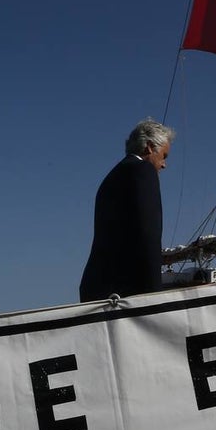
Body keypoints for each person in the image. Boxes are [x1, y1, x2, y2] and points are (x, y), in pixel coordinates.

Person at [80, 119, 174, 302]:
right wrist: (155, 294)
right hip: (128, 291)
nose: (164, 165)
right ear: (149, 147)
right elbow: (148, 233)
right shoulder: (143, 171)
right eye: (164, 155)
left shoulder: (112, 177)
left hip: (98, 287)